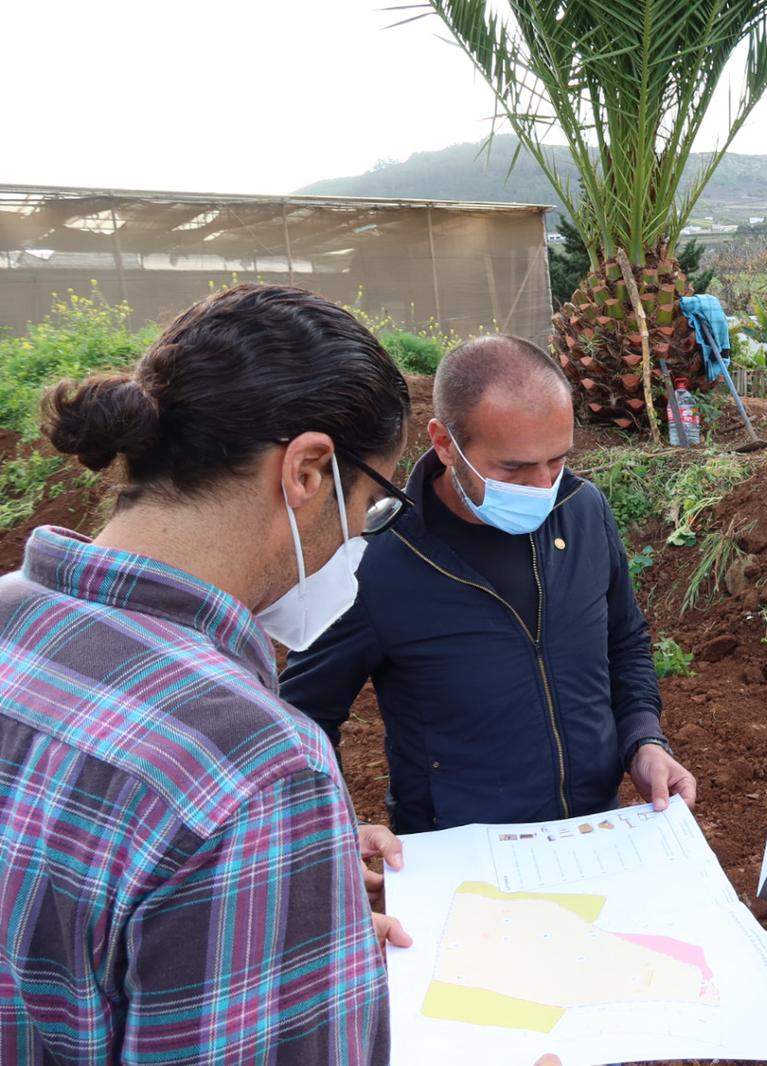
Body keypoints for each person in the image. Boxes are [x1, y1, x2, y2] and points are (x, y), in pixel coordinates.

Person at [0, 285, 413, 1062]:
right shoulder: (256, 771)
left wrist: (286, 881)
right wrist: (268, 838)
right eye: (371, 503)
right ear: (309, 472)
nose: (360, 534)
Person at [281, 336, 695, 833]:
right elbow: (301, 720)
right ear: (445, 444)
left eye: (558, 459)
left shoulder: (582, 511)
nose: (544, 486)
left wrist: (644, 742)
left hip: (593, 838)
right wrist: (335, 833)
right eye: (514, 468)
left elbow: (624, 642)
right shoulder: (376, 560)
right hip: (461, 864)